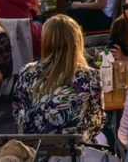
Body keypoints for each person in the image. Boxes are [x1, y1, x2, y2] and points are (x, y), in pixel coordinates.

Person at [13, 15, 106, 153]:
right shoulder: (89, 76)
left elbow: (17, 113)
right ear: (77, 42)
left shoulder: (26, 72)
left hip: (34, 150)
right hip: (73, 152)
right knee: (104, 137)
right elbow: (97, 122)